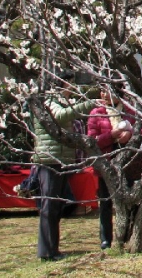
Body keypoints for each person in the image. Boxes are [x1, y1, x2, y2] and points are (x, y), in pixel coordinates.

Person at [31, 86, 97, 261]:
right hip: (50, 160)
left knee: (55, 206)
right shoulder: (48, 101)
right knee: (50, 205)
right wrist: (88, 105)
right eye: (69, 84)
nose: (72, 88)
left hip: (59, 160)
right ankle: (46, 251)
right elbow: (61, 116)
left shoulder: (57, 101)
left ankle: (52, 248)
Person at [87, 86, 142, 250]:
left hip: (129, 163)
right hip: (106, 163)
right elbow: (91, 140)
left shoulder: (131, 110)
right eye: (101, 90)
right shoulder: (97, 113)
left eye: (107, 90)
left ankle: (129, 235)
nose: (103, 94)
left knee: (131, 199)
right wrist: (111, 135)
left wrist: (131, 135)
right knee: (105, 202)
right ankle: (105, 239)